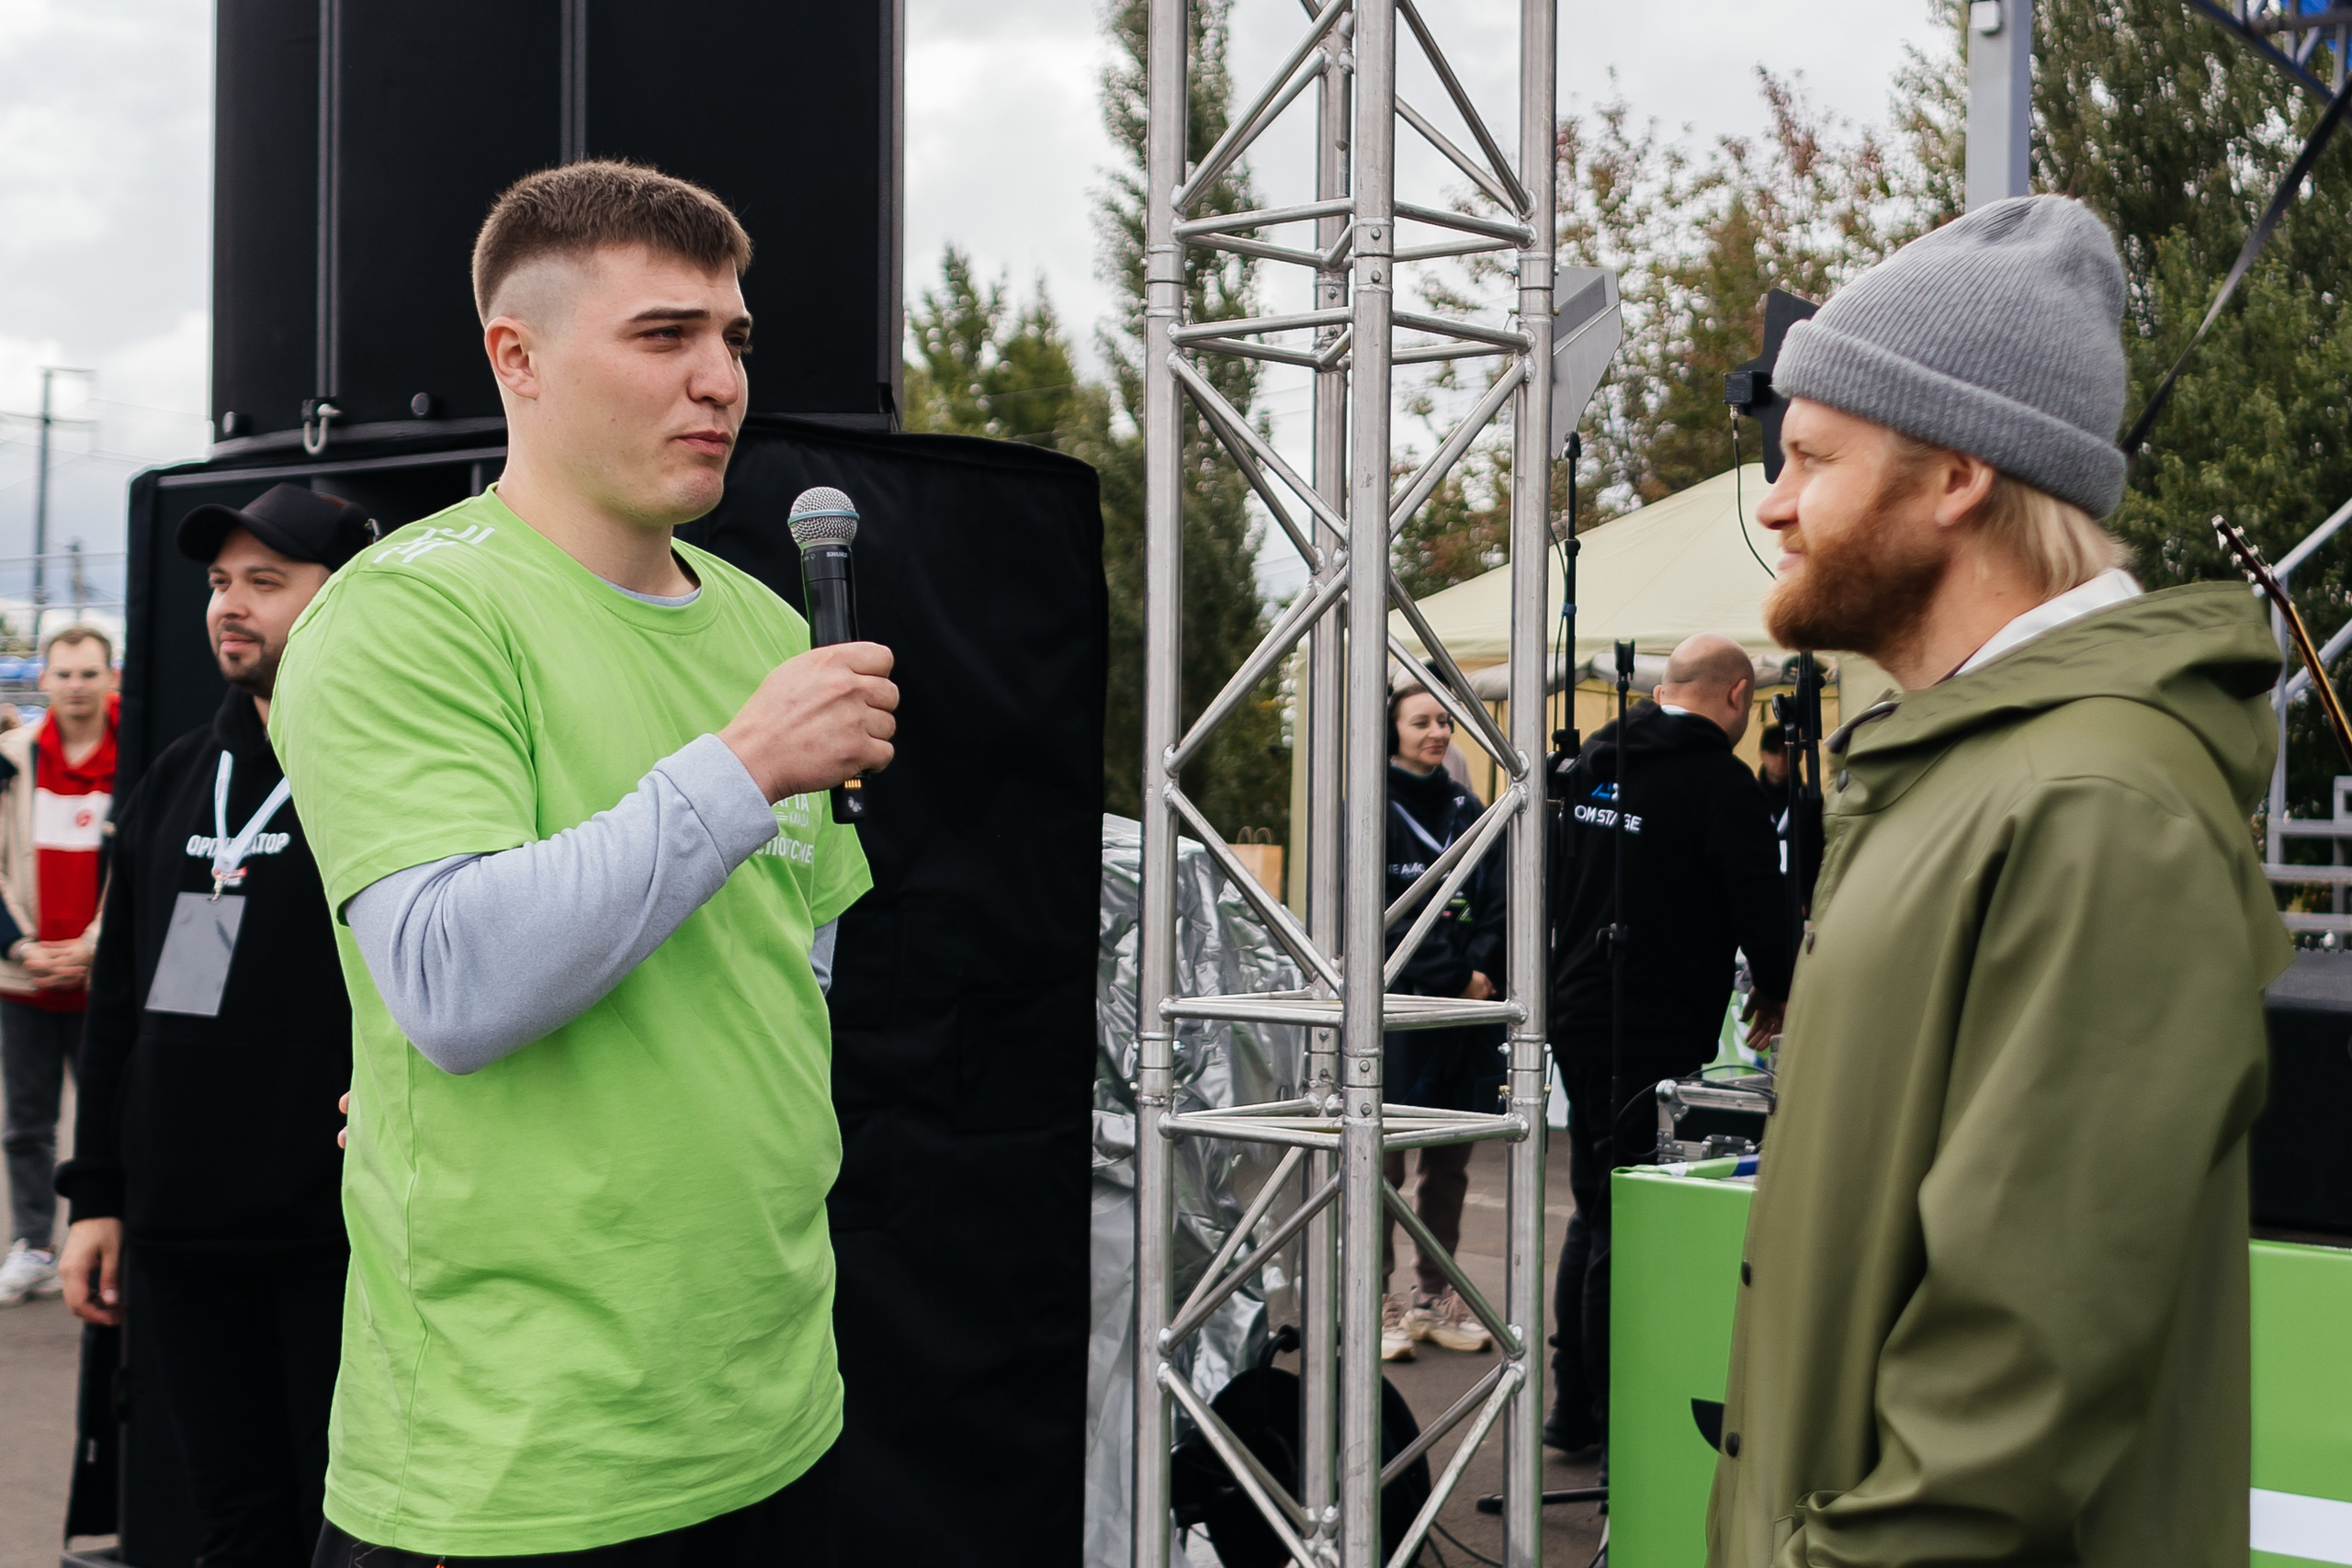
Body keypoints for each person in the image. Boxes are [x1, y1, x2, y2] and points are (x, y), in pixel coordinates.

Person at [269, 162, 894, 1566]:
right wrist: (738, 769)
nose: (720, 379)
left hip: (769, 1403)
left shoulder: (753, 619)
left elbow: (798, 955)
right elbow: (456, 979)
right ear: (519, 358)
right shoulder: (410, 615)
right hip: (521, 1462)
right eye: (665, 336)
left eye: (733, 338)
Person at [1707, 197, 2290, 1567]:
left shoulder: (2093, 804)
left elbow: (2007, 1397)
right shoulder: (1966, 769)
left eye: (1809, 457)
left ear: (1955, 477)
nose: (1776, 503)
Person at [53, 485, 374, 1566]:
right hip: (184, 1236)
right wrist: (97, 1195)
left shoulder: (395, 771)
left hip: (339, 1237)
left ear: (348, 598)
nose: (229, 607)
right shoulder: (179, 778)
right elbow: (123, 1004)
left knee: (348, 1529)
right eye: (219, 584)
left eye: (266, 583)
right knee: (234, 1529)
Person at [1544, 633, 1792, 1459]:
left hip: (1577, 1010)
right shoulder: (1721, 783)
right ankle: (1626, 1427)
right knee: (1630, 1216)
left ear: (1660, 693)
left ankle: (1572, 1405)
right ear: (1736, 697)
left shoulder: (1587, 768)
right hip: (1653, 1024)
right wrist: (1780, 982)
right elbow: (1765, 907)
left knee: (1596, 1201)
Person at [1379, 684, 1506, 1361]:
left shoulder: (1468, 807)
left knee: (1449, 1163)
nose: (1436, 731)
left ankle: (1435, 1293)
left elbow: (1501, 899)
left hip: (1466, 1012)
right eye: (1420, 720)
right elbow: (1381, 911)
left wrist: (1480, 973)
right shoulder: (1370, 805)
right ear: (1392, 729)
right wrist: (1453, 975)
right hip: (1400, 1011)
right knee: (1384, 1163)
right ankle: (1376, 1298)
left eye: (1444, 720)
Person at [0, 625, 118, 1304]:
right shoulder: (12, 759)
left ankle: (101, 1239)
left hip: (104, 982)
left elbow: (137, 869)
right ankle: (35, 1243)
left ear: (112, 678)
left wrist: (97, 944)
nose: (76, 686)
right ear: (43, 680)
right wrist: (22, 947)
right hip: (26, 980)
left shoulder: (139, 757)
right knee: (26, 1124)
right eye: (64, 674)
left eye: (88, 673)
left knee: (109, 1119)